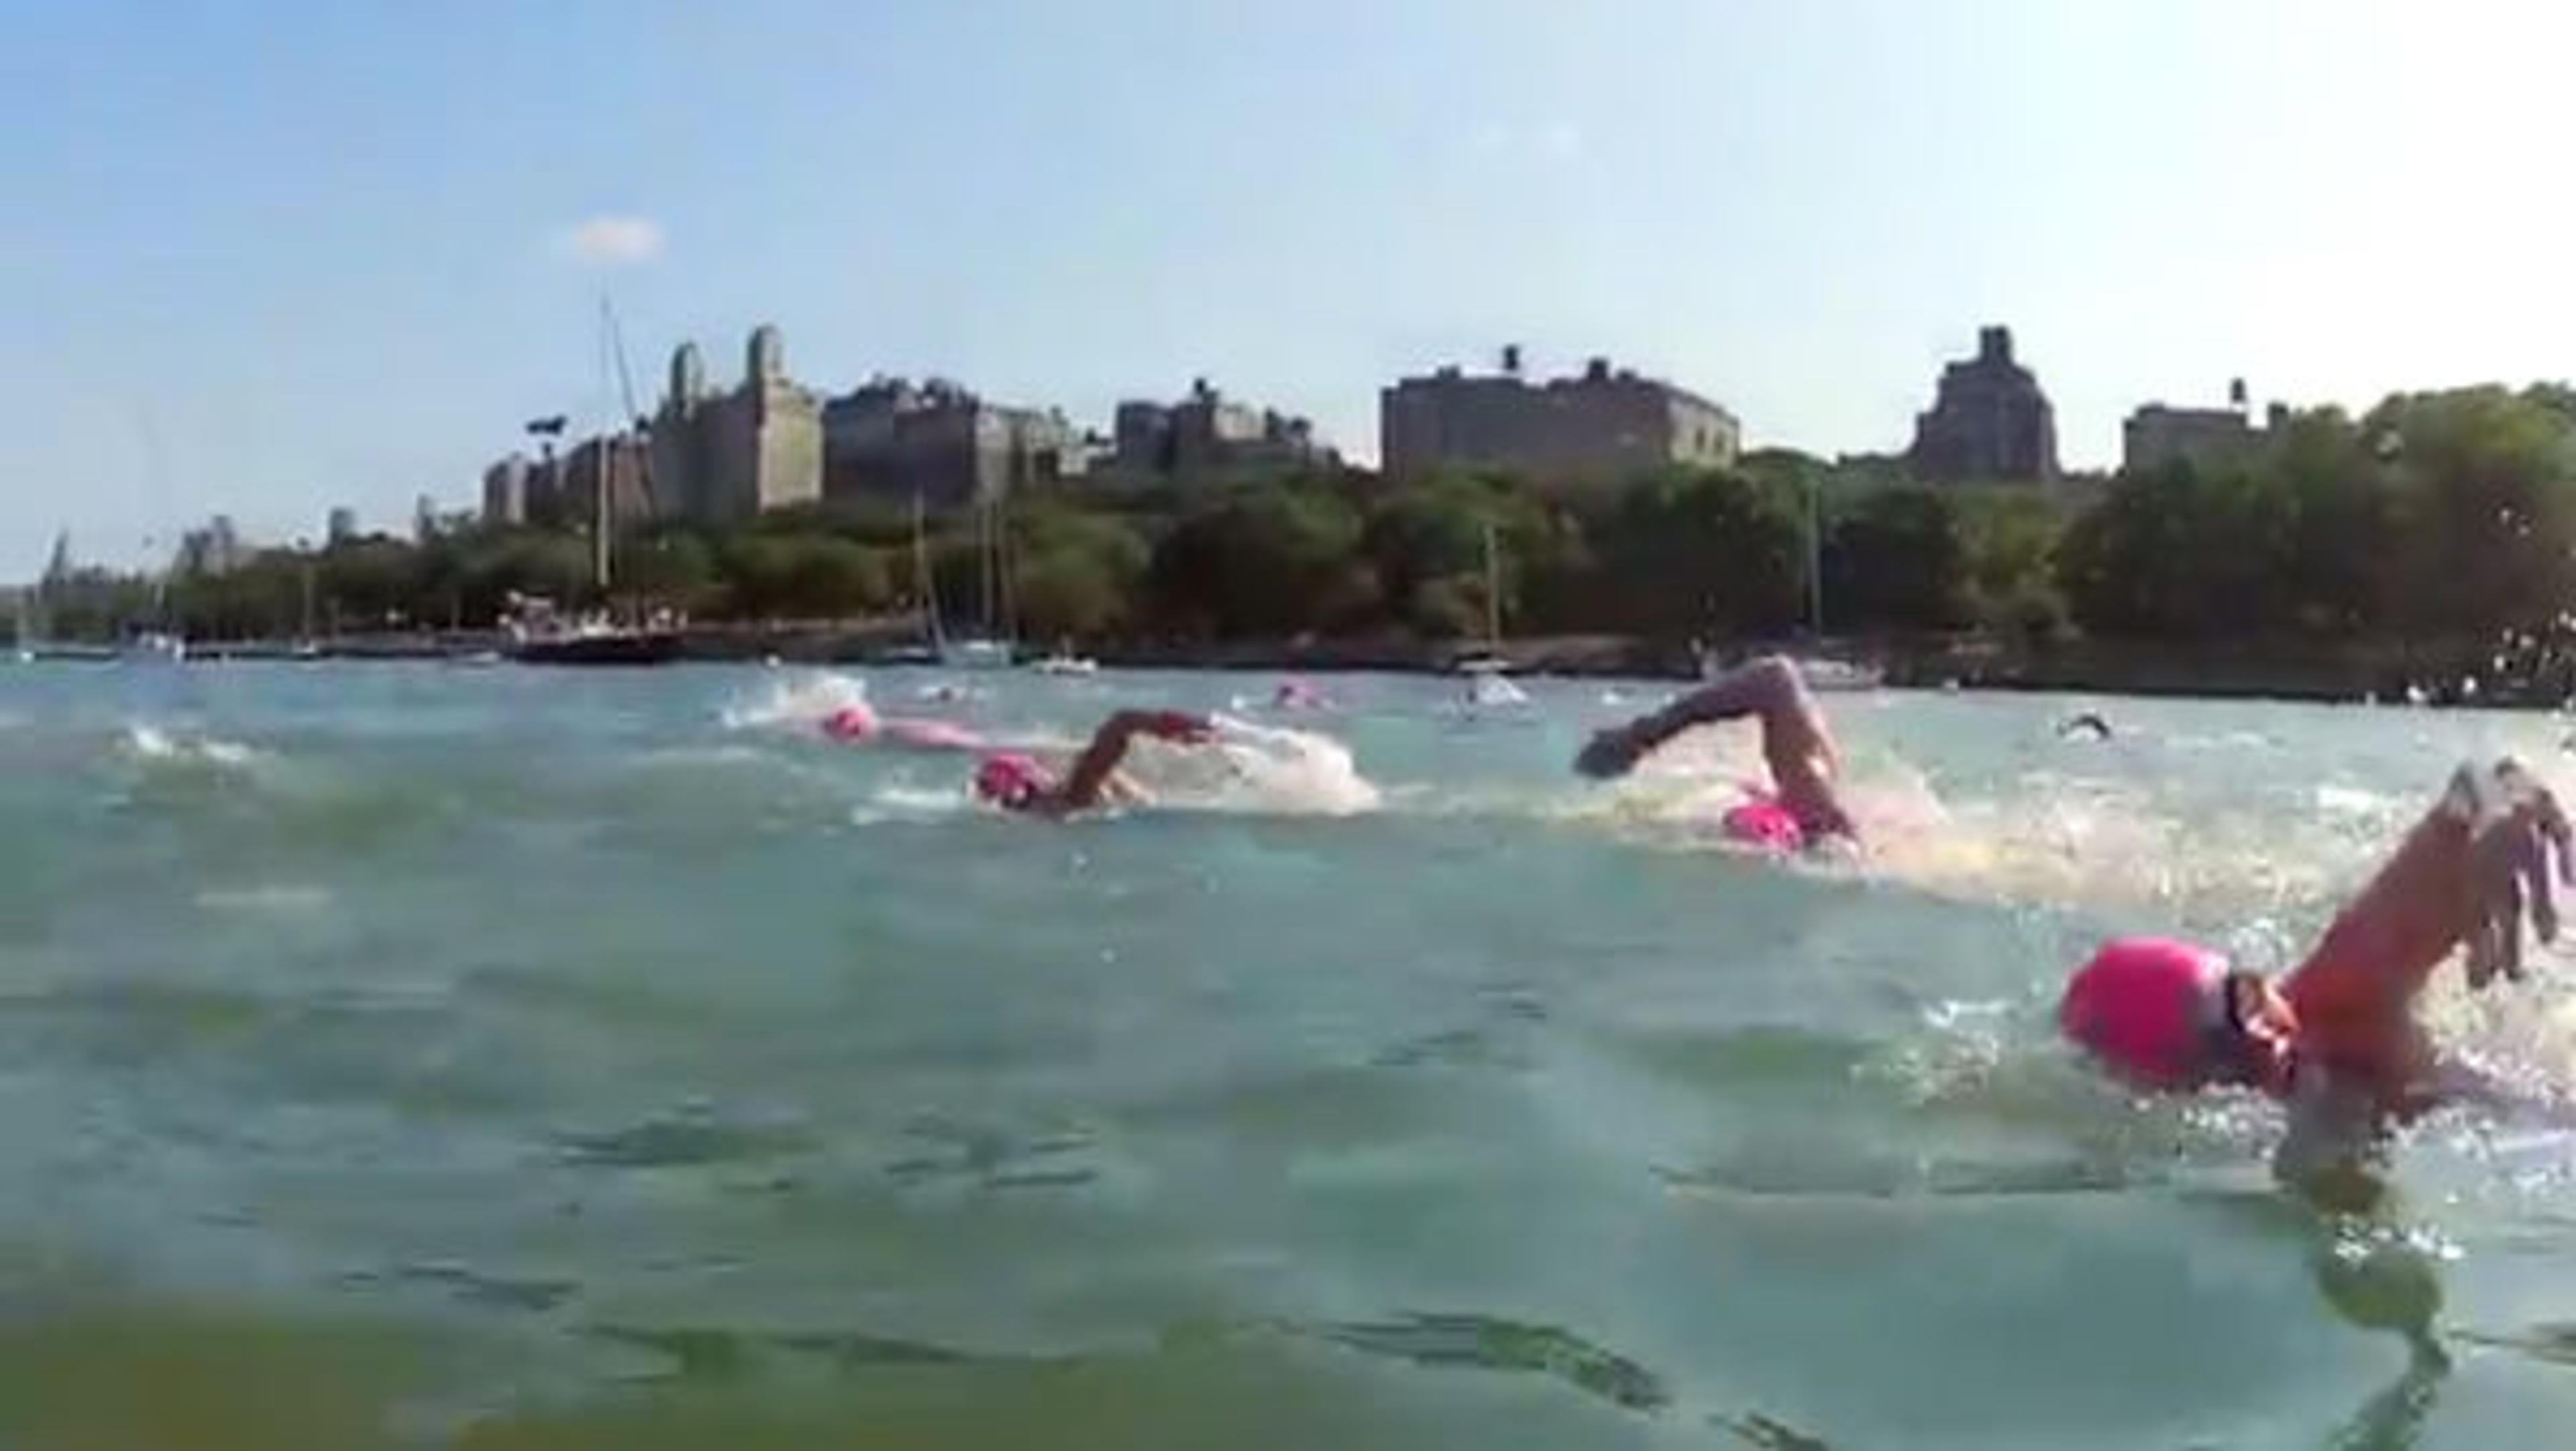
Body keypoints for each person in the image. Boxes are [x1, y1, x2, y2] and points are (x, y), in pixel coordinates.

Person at [2060, 757, 2573, 1157]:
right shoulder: (2310, 1132)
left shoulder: (2344, 988)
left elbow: (2478, 782)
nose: (2266, 1035)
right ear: (2181, 1090)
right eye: (2227, 1044)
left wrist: (2498, 805)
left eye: (2246, 998)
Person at [1574, 655, 1856, 851]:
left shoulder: (1812, 783)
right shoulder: (1812, 775)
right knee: (1778, 679)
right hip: (1811, 815)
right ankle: (1638, 737)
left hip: (1812, 819)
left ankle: (1638, 737)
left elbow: (1774, 677)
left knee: (1778, 676)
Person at [973, 708, 1215, 818]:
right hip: (1072, 798)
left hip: (1069, 798)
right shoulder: (1058, 799)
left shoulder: (1022, 804)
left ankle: (1196, 732)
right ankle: (1203, 727)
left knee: (1119, 727)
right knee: (1122, 722)